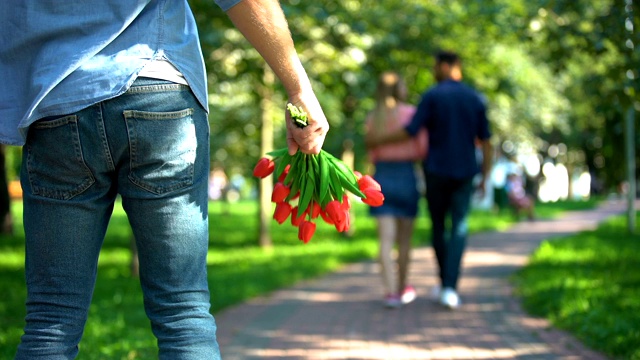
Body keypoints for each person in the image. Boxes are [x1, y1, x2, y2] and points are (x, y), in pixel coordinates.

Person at [0, 0, 329, 359]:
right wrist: (299, 87)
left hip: (54, 104)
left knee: (50, 319)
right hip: (157, 90)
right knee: (182, 311)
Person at [366, 51, 492, 310]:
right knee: (458, 227)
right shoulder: (474, 97)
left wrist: (378, 142)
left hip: (428, 171)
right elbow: (486, 140)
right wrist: (485, 176)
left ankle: (410, 289)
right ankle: (448, 286)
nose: (434, 70)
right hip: (461, 171)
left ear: (446, 66)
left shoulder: (431, 96)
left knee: (433, 228)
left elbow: (410, 133)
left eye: (435, 66)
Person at [365, 72, 428, 308]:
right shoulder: (411, 114)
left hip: (381, 177)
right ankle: (403, 288)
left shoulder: (374, 117)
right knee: (404, 240)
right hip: (407, 175)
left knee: (385, 240)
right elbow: (422, 148)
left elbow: (371, 151)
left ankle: (390, 292)